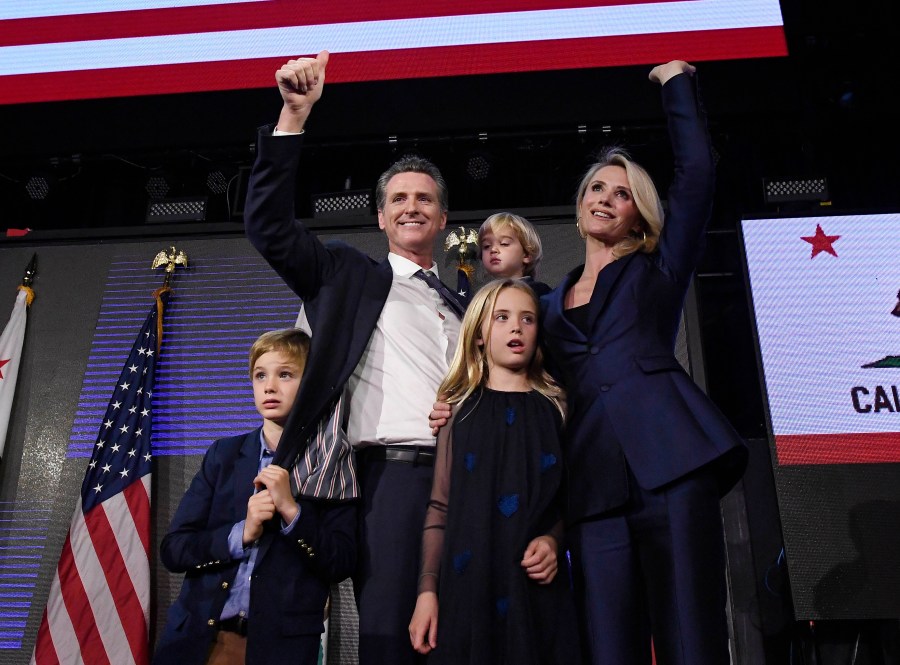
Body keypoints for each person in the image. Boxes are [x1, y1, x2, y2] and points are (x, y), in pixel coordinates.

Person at [243, 51, 464, 665]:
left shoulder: (470, 304)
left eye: (424, 198)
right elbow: (268, 227)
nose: (411, 206)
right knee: (392, 637)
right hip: (390, 479)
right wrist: (293, 117)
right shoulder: (347, 276)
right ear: (381, 216)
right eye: (398, 198)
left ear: (443, 218)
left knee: (469, 633)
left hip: (469, 476)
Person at [538, 60, 749, 664]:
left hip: (674, 469)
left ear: (639, 213)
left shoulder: (657, 267)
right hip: (594, 488)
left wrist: (676, 83)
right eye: (597, 188)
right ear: (580, 204)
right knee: (608, 645)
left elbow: (698, 174)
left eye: (623, 192)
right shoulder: (548, 306)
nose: (606, 198)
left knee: (691, 636)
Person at [154, 329, 357, 665]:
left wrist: (293, 513)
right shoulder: (224, 455)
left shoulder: (332, 462)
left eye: (285, 375)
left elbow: (341, 562)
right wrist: (241, 534)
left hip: (279, 649)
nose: (269, 386)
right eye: (260, 375)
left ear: (312, 385)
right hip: (199, 641)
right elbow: (174, 549)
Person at [409, 279, 579, 664]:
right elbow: (440, 507)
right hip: (469, 584)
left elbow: (569, 496)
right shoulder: (458, 411)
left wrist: (555, 542)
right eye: (501, 317)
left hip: (536, 585)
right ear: (479, 334)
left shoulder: (558, 407)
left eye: (527, 319)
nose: (516, 327)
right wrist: (427, 591)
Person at [479, 212, 552, 296]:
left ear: (527, 254)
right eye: (486, 246)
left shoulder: (538, 293)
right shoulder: (484, 296)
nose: (493, 249)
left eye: (504, 243)